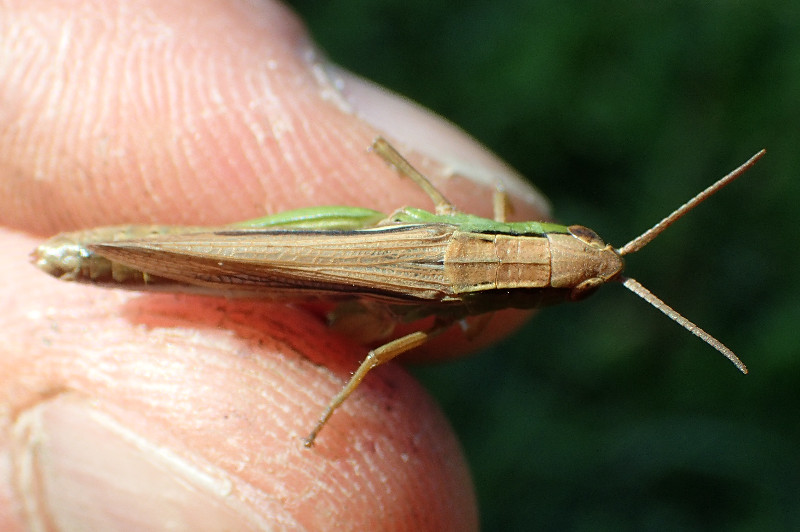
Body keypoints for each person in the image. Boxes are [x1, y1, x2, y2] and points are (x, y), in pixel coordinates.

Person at [0, 1, 548, 529]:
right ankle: (121, 257)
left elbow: (385, 330)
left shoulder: (484, 224)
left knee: (302, 275)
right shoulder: (468, 311)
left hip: (329, 266)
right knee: (311, 268)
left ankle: (121, 257)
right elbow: (376, 351)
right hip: (337, 247)